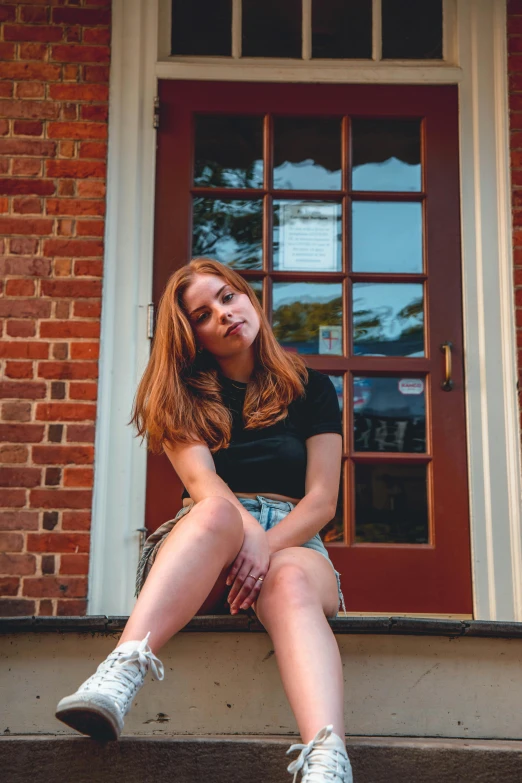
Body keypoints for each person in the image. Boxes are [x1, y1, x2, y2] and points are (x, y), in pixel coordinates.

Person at [55, 258, 353, 783]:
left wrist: (267, 545)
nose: (223, 313)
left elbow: (322, 501)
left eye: (228, 297)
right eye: (202, 313)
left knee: (286, 580)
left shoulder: (312, 386)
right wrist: (248, 536)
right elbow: (203, 485)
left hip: (295, 539)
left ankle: (327, 759)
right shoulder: (179, 394)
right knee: (217, 509)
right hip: (207, 539)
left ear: (248, 297)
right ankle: (121, 671)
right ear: (189, 334)